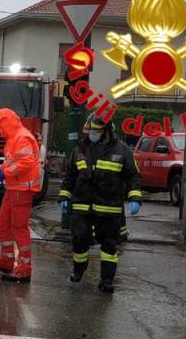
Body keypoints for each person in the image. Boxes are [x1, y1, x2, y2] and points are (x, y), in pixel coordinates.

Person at [60, 116, 142, 293]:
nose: (92, 135)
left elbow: (133, 176)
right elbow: (70, 175)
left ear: (107, 131)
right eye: (90, 132)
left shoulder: (122, 151)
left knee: (109, 246)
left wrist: (134, 198)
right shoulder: (80, 149)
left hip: (109, 208)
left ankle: (106, 280)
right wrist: (64, 196)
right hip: (82, 206)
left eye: (96, 132)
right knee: (79, 239)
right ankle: (78, 270)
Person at [0, 107, 42, 283]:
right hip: (14, 188)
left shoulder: (21, 137)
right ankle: (7, 261)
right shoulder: (13, 138)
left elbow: (26, 162)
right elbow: (15, 162)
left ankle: (24, 268)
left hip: (22, 189)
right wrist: (1, 170)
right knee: (3, 224)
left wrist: (5, 172)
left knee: (19, 228)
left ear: (6, 123)